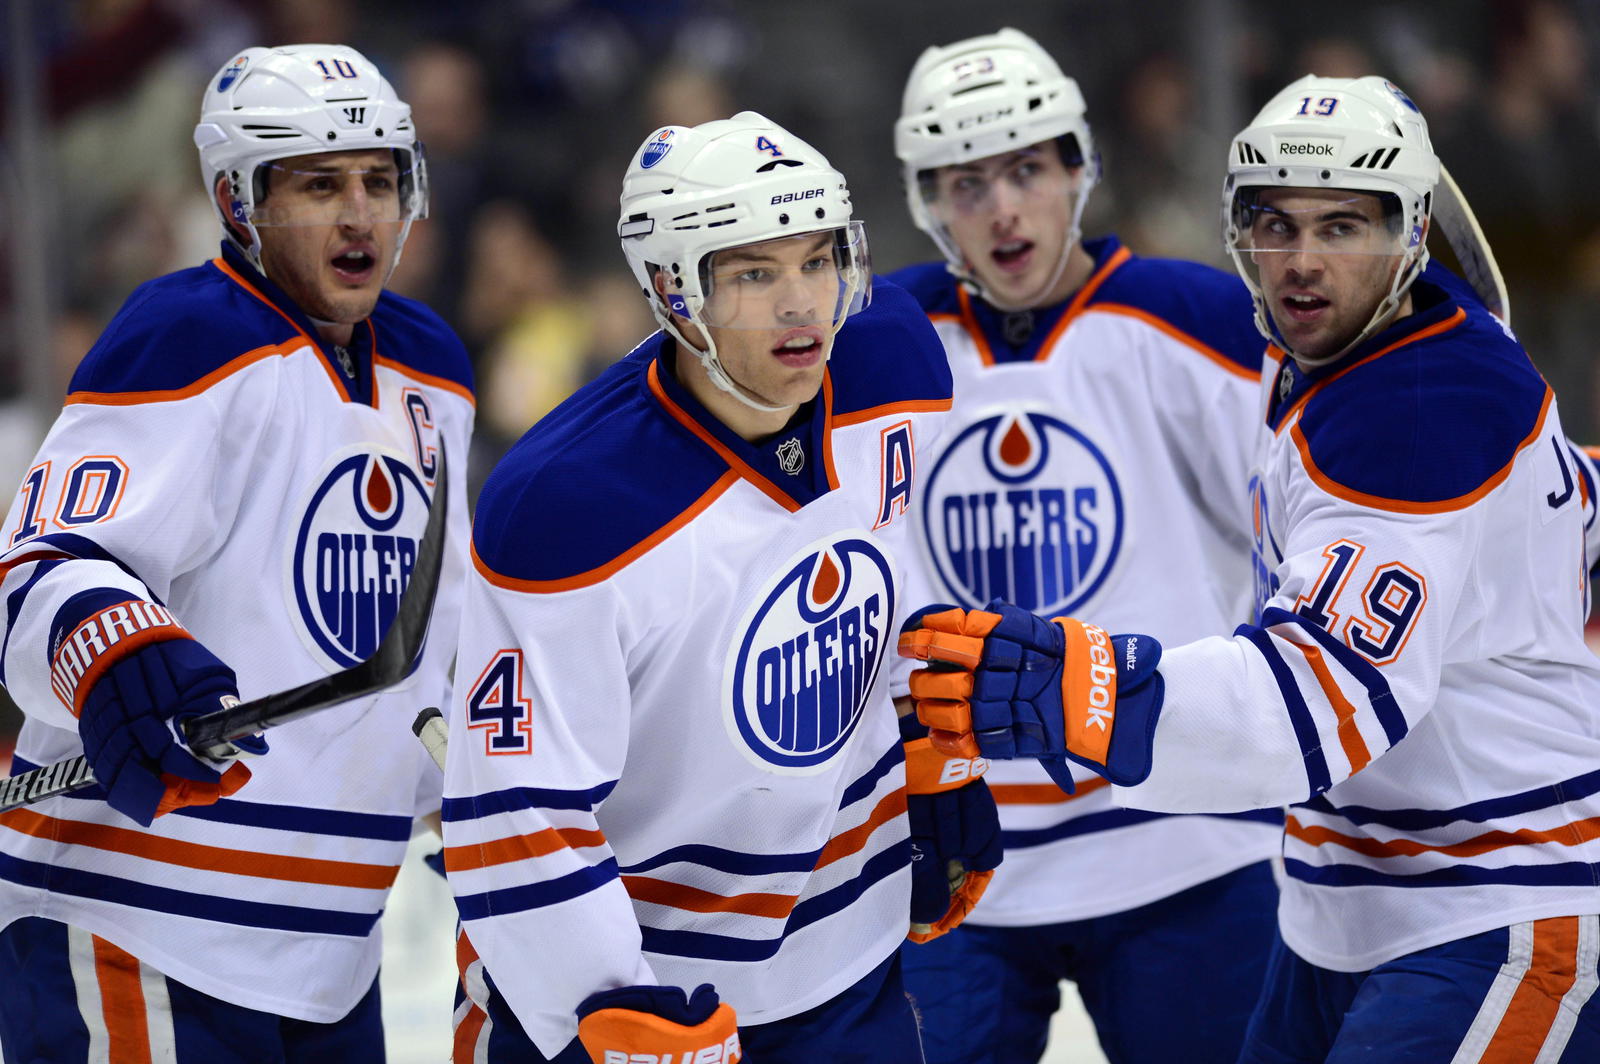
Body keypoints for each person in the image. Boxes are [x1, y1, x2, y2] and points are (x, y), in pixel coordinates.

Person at [899, 73, 1600, 1064]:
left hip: (1494, 893)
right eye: (1276, 225)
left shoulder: (1412, 411)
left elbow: (1322, 688)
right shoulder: (1356, 358)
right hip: (1343, 897)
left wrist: (1086, 689)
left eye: (1341, 226)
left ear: (1409, 233)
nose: (1302, 261)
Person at [439, 112, 991, 1064]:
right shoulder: (565, 505)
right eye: (753, 274)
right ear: (672, 290)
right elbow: (519, 808)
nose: (803, 305)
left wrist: (936, 756)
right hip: (641, 989)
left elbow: (893, 583)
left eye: (818, 260)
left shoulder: (893, 361)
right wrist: (605, 1002)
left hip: (844, 962)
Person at [0, 45, 473, 1061]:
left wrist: (471, 782)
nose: (361, 215)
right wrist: (113, 650)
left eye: (380, 180)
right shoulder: (187, 332)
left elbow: (433, 638)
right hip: (140, 925)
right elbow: (42, 566)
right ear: (236, 199)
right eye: (320, 185)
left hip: (337, 945)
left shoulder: (435, 368)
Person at [885, 28, 1280, 1063]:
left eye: (1025, 169)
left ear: (1078, 168)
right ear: (930, 203)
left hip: (1190, 839)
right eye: (967, 183)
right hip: (954, 849)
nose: (1002, 209)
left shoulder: (1202, 319)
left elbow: (1313, 530)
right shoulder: (876, 349)